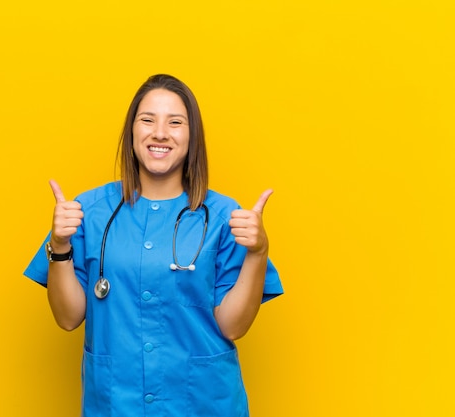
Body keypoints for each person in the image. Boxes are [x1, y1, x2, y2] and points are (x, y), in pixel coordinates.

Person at [24, 74, 283, 417]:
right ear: (132, 131)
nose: (160, 132)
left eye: (175, 122)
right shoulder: (89, 211)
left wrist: (259, 252)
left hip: (204, 404)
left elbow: (233, 326)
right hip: (117, 404)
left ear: (192, 137)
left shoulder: (225, 217)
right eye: (147, 120)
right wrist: (59, 245)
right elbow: (68, 317)